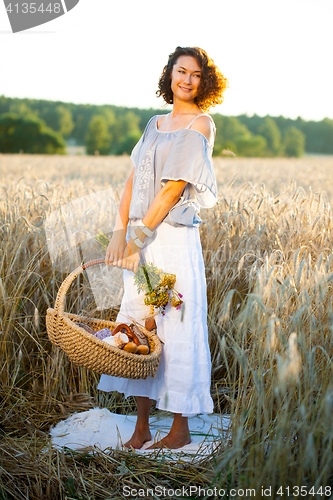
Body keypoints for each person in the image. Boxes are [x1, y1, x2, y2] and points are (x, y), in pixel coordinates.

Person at [98, 46, 228, 449]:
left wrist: (137, 237)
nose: (187, 80)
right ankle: (141, 428)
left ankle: (179, 430)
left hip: (171, 237)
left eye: (195, 75)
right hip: (140, 236)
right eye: (181, 71)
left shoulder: (201, 125)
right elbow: (133, 180)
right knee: (137, 322)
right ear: (169, 74)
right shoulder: (154, 123)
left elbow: (172, 190)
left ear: (204, 82)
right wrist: (122, 231)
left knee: (176, 321)